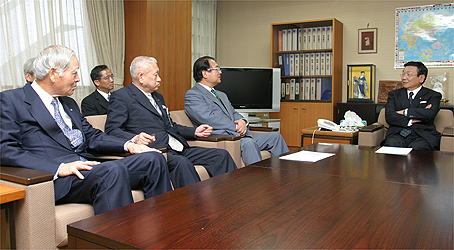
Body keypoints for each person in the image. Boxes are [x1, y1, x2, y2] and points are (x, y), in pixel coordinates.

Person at [0, 45, 172, 215]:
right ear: (53, 74)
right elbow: (5, 150)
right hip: (57, 177)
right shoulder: (11, 101)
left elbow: (91, 136)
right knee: (111, 171)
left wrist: (129, 145)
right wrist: (59, 167)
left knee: (153, 159)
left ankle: (161, 228)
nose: (78, 79)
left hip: (87, 167)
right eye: (74, 73)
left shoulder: (68, 103)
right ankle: (119, 241)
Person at [105, 56, 237, 188]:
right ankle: (196, 206)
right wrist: (134, 139)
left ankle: (230, 196)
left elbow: (169, 126)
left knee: (220, 155)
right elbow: (112, 130)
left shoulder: (158, 97)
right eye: (155, 75)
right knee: (182, 163)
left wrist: (194, 131)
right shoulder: (122, 97)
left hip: (177, 147)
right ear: (141, 77)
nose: (159, 79)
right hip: (156, 150)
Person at [185, 56, 289, 166]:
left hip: (239, 135)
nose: (220, 72)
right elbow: (208, 118)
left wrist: (243, 121)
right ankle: (259, 181)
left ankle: (285, 175)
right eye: (217, 69)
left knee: (275, 137)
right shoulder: (193, 95)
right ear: (205, 74)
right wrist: (236, 127)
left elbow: (233, 113)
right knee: (249, 143)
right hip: (224, 138)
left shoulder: (221, 95)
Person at [382, 61, 441, 150]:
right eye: (403, 74)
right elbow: (390, 116)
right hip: (398, 134)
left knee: (418, 151)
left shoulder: (433, 95)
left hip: (422, 135)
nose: (404, 78)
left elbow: (430, 114)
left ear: (421, 78)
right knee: (391, 148)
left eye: (408, 74)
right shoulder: (394, 95)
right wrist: (413, 119)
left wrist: (405, 112)